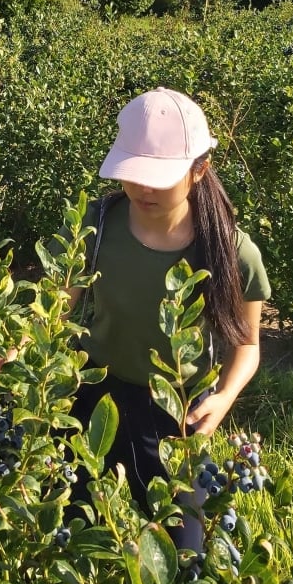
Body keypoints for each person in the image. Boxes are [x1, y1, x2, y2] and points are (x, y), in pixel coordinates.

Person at [61, 87, 271, 551]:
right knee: (72, 532)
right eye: (132, 175)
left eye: (157, 177)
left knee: (184, 553)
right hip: (90, 394)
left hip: (174, 412)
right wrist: (13, 355)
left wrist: (223, 398)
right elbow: (57, 306)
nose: (141, 189)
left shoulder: (233, 253)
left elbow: (247, 345)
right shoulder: (94, 225)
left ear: (200, 169)